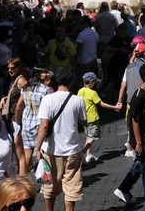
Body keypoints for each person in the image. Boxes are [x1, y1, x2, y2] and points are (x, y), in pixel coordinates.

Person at [33, 68, 87, 211]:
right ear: (71, 81)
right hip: (72, 150)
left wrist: (37, 148)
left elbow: (43, 126)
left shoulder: (47, 99)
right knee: (71, 186)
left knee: (49, 185)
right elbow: (84, 122)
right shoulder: (78, 100)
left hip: (51, 150)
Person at [114, 63, 145, 211]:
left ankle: (123, 189)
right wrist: (139, 143)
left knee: (139, 165)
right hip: (143, 138)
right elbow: (135, 120)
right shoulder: (139, 96)